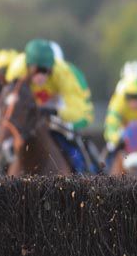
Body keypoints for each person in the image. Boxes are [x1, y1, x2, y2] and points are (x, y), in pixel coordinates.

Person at [6, 38, 97, 173]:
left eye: (45, 71)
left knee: (74, 144)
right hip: (28, 115)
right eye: (37, 70)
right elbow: (10, 99)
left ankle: (85, 173)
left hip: (56, 113)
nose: (41, 76)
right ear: (28, 66)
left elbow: (80, 112)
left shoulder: (64, 73)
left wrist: (55, 111)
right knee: (3, 141)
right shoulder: (16, 70)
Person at [104, 61, 137, 168]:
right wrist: (116, 137)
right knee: (110, 151)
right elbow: (110, 126)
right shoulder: (118, 101)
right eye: (130, 97)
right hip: (123, 135)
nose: (134, 102)